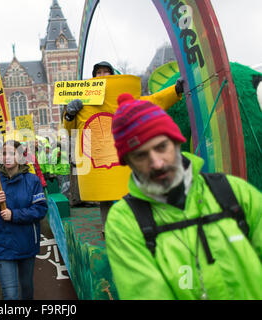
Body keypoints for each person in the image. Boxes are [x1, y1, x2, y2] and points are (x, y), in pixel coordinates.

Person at [105, 93, 262, 300]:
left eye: (161, 147)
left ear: (177, 142)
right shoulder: (124, 222)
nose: (157, 163)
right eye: (141, 155)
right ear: (129, 162)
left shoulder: (233, 191)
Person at [63, 61, 184, 236]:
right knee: (106, 196)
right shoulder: (83, 102)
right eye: (98, 72)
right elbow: (70, 131)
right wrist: (70, 114)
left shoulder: (123, 96)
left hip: (123, 155)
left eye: (106, 72)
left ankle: (137, 227)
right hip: (100, 159)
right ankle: (108, 230)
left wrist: (175, 90)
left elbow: (152, 101)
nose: (102, 75)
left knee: (130, 192)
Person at [0, 140, 48, 300]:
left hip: (26, 243)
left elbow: (40, 209)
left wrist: (14, 215)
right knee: (11, 294)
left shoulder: (32, 181)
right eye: (3, 154)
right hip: (2, 245)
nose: (7, 157)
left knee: (27, 289)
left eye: (11, 153)